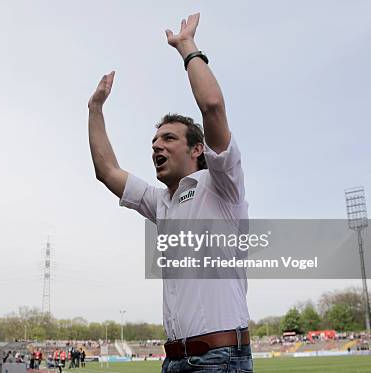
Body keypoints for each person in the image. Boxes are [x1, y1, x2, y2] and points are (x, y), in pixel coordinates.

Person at [87, 12, 253, 373]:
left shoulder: (221, 184)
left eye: (168, 138)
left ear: (198, 150)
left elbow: (212, 107)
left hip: (219, 360)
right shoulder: (161, 202)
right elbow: (107, 171)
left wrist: (186, 47)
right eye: (154, 140)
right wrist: (95, 108)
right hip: (174, 361)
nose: (156, 146)